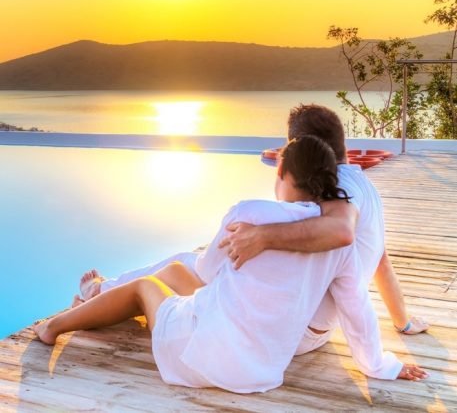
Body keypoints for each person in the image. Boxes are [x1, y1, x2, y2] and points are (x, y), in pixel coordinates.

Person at [33, 136, 427, 393]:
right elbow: (356, 309)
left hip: (200, 357)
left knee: (147, 287)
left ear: (285, 175)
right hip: (261, 372)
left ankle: (54, 327)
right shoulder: (340, 242)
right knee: (171, 276)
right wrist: (380, 365)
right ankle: (93, 301)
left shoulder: (251, 213)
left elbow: (206, 269)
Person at [83, 104, 427, 342]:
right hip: (318, 329)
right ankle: (105, 291)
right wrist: (403, 321)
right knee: (196, 266)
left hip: (292, 331)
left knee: (186, 265)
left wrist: (261, 236)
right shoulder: (363, 186)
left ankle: (100, 294)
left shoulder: (340, 191)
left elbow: (341, 230)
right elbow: (379, 259)